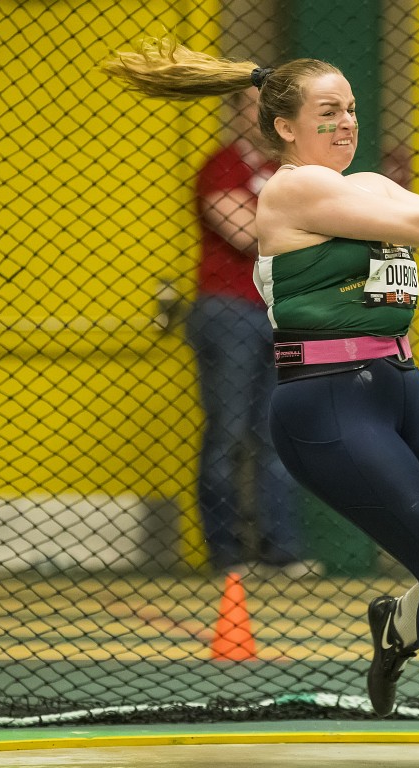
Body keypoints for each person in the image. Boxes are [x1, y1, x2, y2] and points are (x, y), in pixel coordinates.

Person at [102, 39, 419, 768]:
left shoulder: (367, 185)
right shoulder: (292, 191)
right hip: (326, 405)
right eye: (327, 113)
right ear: (285, 127)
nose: (346, 123)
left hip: (403, 390)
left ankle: (398, 619)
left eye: (351, 110)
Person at [186, 86, 306, 579]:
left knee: (278, 433)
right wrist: (306, 225)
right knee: (229, 433)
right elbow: (245, 233)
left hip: (282, 313)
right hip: (228, 311)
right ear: (235, 114)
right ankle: (228, 554)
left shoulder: (291, 174)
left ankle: (282, 550)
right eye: (253, 110)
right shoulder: (222, 166)